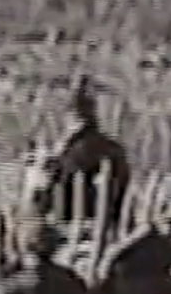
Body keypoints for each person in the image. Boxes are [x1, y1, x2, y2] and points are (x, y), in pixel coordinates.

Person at [53, 86, 131, 224]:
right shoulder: (112, 147)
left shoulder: (78, 147)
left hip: (80, 216)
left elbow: (62, 179)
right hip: (105, 216)